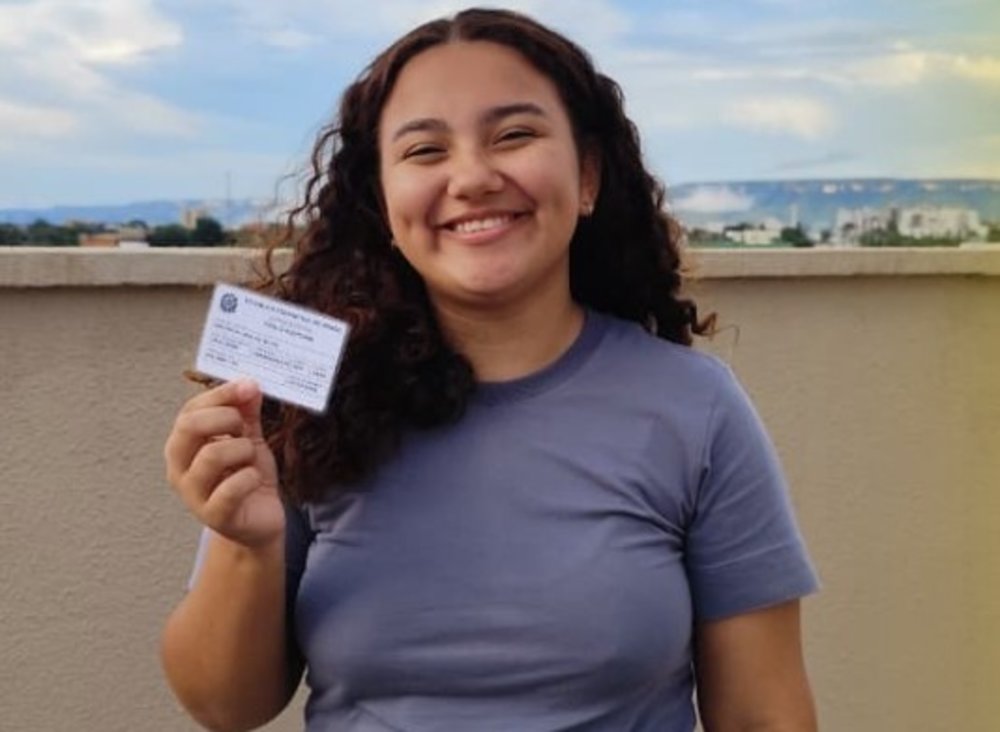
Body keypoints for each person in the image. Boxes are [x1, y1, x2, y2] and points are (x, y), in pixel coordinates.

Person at [161, 7, 819, 731]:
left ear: (588, 175)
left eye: (514, 136)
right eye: (425, 150)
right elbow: (225, 705)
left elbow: (764, 715)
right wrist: (246, 545)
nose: (472, 177)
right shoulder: (311, 406)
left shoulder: (695, 408)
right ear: (382, 201)